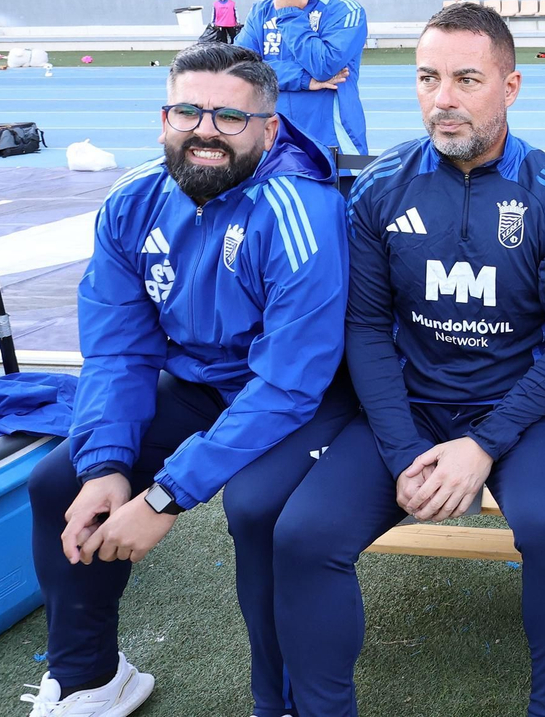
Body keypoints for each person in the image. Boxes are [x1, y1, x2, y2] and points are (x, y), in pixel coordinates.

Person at [271, 3, 545, 717]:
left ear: (510, 87)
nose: (443, 98)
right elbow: (365, 327)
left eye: (465, 79)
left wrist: (483, 446)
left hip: (521, 415)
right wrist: (401, 453)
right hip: (412, 410)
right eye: (428, 78)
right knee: (302, 537)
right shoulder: (381, 186)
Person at [20, 43, 353, 717]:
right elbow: (118, 349)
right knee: (61, 481)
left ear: (270, 130)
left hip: (308, 395)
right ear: (163, 119)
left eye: (230, 117)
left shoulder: (300, 210)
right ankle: (90, 677)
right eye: (188, 112)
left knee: (259, 512)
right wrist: (108, 464)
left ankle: (281, 703)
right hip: (204, 384)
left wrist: (165, 495)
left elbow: (290, 382)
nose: (205, 131)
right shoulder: (132, 200)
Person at [234, 0, 369, 154]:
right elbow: (238, 71)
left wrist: (288, 13)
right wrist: (303, 79)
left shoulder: (345, 10)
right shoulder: (261, 11)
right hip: (271, 146)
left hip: (330, 148)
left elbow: (323, 67)